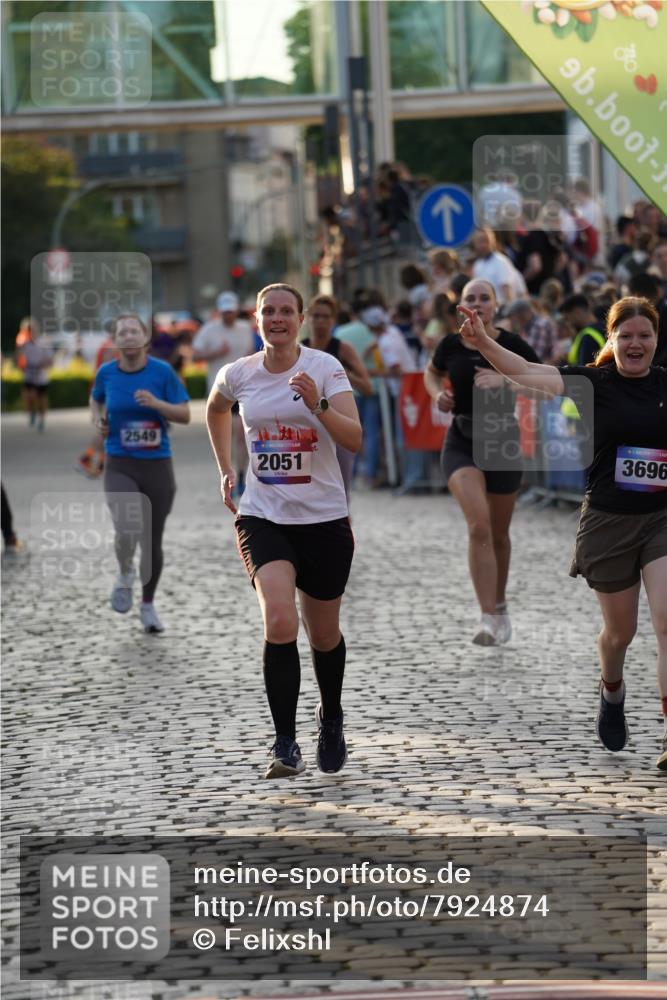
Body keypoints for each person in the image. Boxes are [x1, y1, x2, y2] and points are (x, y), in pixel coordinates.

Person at [456, 295, 667, 770]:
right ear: (611, 340)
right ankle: (611, 690)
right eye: (626, 335)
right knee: (620, 633)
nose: (636, 344)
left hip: (662, 519)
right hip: (609, 522)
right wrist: (485, 341)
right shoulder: (592, 383)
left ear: (656, 340)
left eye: (645, 335)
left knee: (666, 621)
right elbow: (527, 371)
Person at [206, 283, 361, 779]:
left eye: (286, 311)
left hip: (324, 519)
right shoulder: (239, 373)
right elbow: (214, 407)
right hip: (263, 515)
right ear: (256, 319)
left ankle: (331, 717)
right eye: (268, 311)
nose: (277, 318)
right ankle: (284, 741)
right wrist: (226, 467)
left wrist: (317, 405)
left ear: (299, 319)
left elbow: (354, 439)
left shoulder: (324, 369)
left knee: (323, 633)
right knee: (278, 620)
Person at [424, 279, 541, 645]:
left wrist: (506, 383)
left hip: (502, 440)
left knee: (499, 534)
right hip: (461, 438)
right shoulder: (451, 343)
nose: (476, 304)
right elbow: (431, 373)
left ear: (496, 304)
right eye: (469, 298)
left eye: (483, 298)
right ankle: (487, 616)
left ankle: (501, 605)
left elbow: (544, 384)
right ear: (460, 306)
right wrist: (437, 395)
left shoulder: (511, 345)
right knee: (479, 526)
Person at [90, 314, 190, 633]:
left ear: (145, 338)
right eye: (123, 332)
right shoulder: (106, 373)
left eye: (135, 331)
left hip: (157, 465)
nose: (129, 336)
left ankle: (147, 605)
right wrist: (98, 421)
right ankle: (124, 572)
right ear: (116, 340)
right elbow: (95, 401)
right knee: (126, 524)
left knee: (152, 540)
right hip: (120, 462)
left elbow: (185, 414)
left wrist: (157, 404)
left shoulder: (162, 372)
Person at [301, 294, 372, 498]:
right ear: (307, 318)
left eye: (325, 317)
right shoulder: (300, 350)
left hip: (338, 422)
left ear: (333, 320)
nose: (320, 321)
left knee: (341, 489)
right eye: (316, 316)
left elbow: (367, 387)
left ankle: (343, 523)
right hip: (308, 425)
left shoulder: (342, 349)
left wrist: (343, 375)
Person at [193, 291, 255, 495]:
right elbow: (195, 354)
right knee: (224, 437)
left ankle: (240, 476)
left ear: (236, 310)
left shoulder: (245, 328)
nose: (228, 315)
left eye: (231, 311)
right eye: (224, 312)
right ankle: (227, 474)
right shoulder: (209, 330)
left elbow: (250, 353)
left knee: (240, 435)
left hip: (242, 389)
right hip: (219, 391)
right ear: (219, 311)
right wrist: (216, 353)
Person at [77, 335, 118, 478]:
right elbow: (108, 369)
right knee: (104, 429)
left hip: (104, 389)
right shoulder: (111, 347)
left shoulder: (106, 345)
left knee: (106, 429)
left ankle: (97, 461)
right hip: (108, 391)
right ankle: (89, 460)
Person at [15, 317, 52, 431]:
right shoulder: (24, 343)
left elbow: (50, 360)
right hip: (29, 373)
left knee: (41, 399)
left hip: (40, 374)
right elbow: (18, 357)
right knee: (29, 396)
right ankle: (32, 412)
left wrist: (43, 364)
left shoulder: (43, 342)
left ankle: (41, 420)